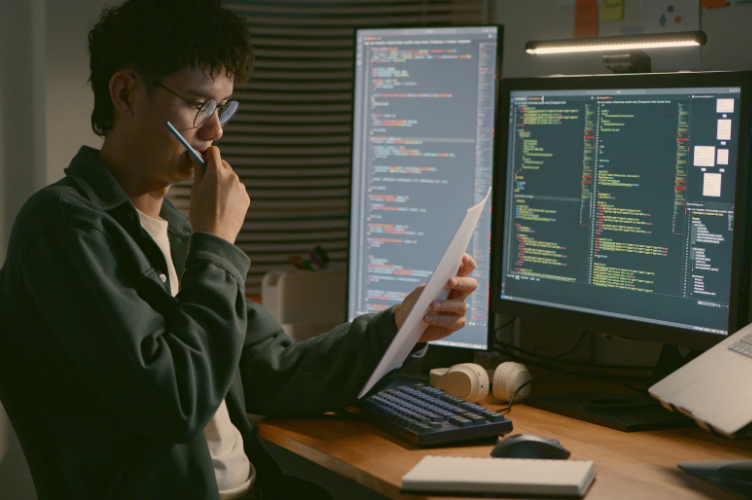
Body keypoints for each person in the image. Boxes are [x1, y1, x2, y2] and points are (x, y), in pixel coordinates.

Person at [0, 1, 479, 499]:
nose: (215, 132)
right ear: (126, 93)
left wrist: (403, 325)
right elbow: (174, 404)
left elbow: (276, 371)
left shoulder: (177, 233)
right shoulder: (64, 229)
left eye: (223, 107)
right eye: (197, 105)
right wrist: (216, 246)